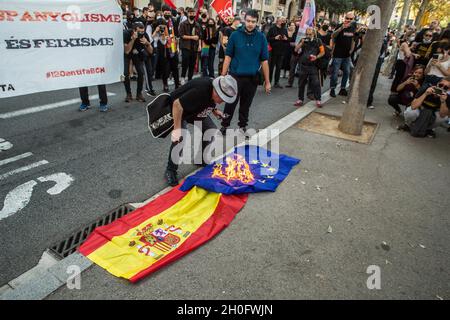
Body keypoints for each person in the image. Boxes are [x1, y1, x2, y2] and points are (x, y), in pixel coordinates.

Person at [165, 75, 238, 186]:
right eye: (222, 98)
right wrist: (176, 129)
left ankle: (201, 159)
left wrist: (214, 110)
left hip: (196, 108)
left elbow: (208, 100)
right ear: (217, 91)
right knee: (180, 137)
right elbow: (176, 104)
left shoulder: (214, 90)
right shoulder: (200, 90)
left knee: (211, 130)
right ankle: (170, 170)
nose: (222, 102)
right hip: (180, 111)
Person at [220, 9, 271, 136]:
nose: (250, 24)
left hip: (252, 78)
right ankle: (224, 126)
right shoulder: (235, 35)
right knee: (230, 103)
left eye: (253, 22)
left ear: (257, 22)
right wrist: (222, 76)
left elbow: (264, 61)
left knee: (245, 105)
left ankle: (242, 126)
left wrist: (268, 82)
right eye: (248, 21)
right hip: (235, 77)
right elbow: (228, 57)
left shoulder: (261, 38)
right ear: (244, 20)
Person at [294, 27, 325, 108]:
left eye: (310, 34)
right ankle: (300, 99)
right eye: (306, 34)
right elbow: (296, 50)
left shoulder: (318, 41)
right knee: (301, 83)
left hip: (313, 66)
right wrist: (301, 43)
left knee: (316, 83)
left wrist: (316, 57)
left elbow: (323, 52)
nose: (308, 35)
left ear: (314, 34)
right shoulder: (303, 40)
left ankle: (318, 100)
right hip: (303, 65)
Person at [123, 21, 153, 103]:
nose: (141, 33)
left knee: (141, 72)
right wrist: (133, 39)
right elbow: (127, 51)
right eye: (139, 32)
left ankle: (139, 93)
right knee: (126, 74)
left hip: (137, 54)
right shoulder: (126, 33)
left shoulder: (144, 35)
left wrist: (147, 43)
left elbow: (151, 51)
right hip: (127, 53)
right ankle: (128, 94)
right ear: (134, 30)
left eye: (143, 31)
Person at [330, 12, 357, 97]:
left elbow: (353, 39)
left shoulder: (353, 27)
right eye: (347, 18)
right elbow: (333, 36)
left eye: (350, 19)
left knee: (347, 72)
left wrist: (351, 50)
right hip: (337, 54)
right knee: (335, 73)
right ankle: (332, 89)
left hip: (347, 55)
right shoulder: (340, 25)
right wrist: (341, 28)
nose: (348, 20)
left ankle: (342, 88)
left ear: (353, 19)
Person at [179, 8, 202, 84]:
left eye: (193, 13)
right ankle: (182, 77)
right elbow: (181, 35)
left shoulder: (197, 24)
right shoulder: (183, 24)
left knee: (192, 64)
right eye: (190, 13)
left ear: (195, 14)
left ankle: (190, 79)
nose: (192, 14)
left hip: (194, 47)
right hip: (186, 46)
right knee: (185, 63)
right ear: (187, 14)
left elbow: (199, 36)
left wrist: (199, 46)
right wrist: (192, 37)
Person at [267, 16, 288, 88]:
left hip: (281, 51)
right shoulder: (272, 28)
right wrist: (274, 38)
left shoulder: (285, 29)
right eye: (282, 20)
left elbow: (287, 40)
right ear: (278, 21)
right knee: (271, 67)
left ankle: (276, 82)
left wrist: (286, 39)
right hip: (273, 51)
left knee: (279, 67)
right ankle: (268, 82)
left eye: (284, 21)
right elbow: (267, 38)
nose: (283, 22)